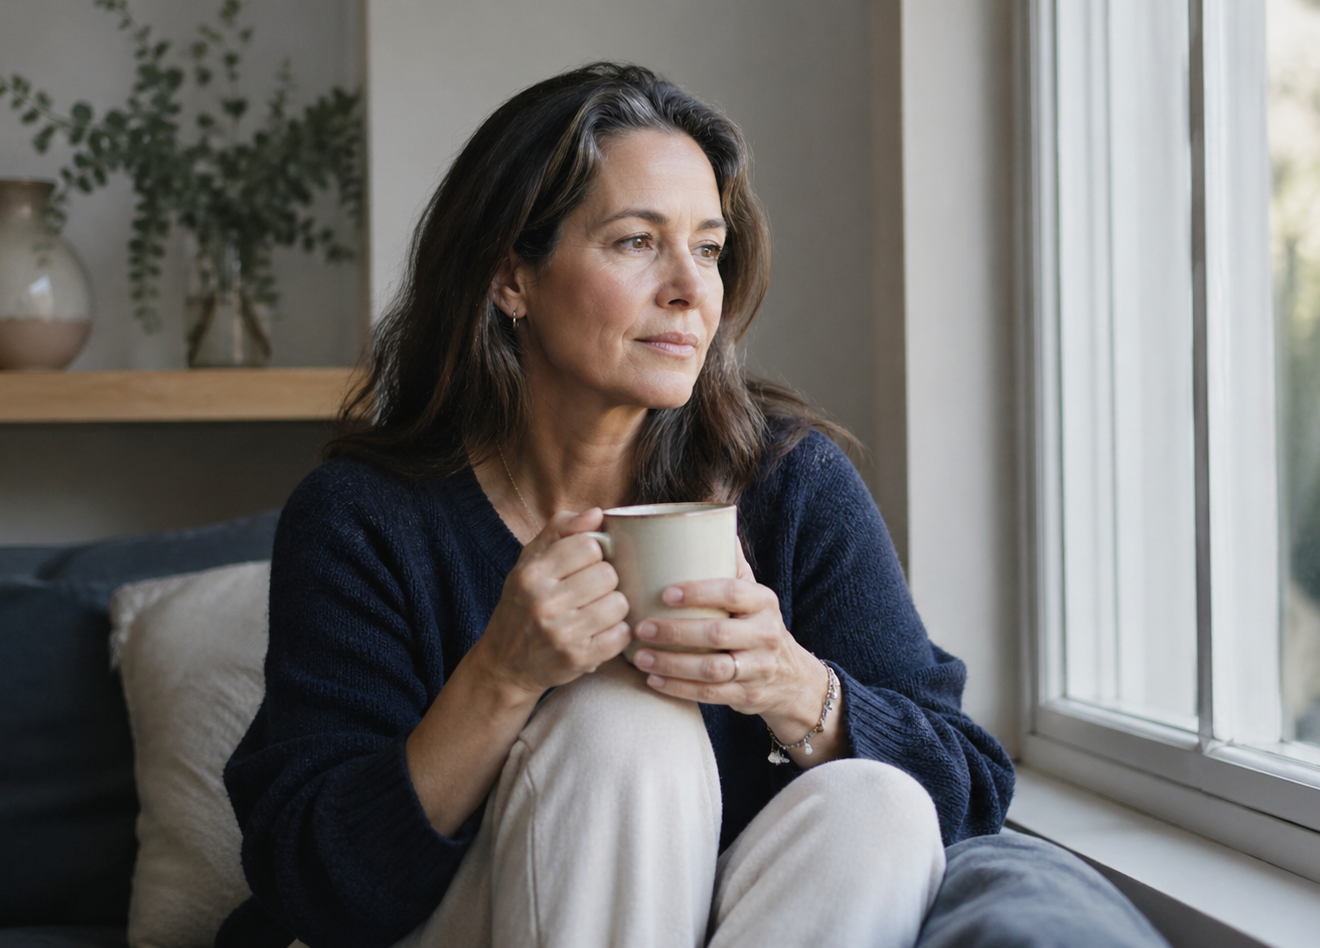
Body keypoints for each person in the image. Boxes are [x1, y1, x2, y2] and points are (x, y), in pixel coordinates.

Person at [217, 63, 1015, 948]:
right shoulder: (365, 516)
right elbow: (312, 882)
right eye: (637, 242)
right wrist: (501, 676)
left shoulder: (789, 484)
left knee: (879, 807)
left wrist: (789, 683)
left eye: (707, 249)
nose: (689, 289)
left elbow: (968, 787)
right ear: (509, 278)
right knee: (621, 722)